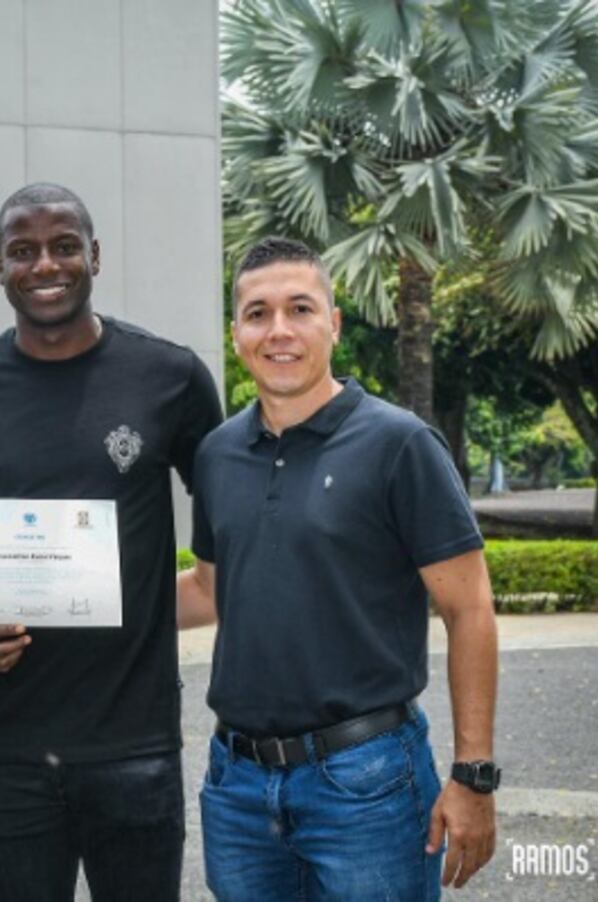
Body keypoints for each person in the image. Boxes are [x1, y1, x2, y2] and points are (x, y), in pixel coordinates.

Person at [0, 183, 223, 901]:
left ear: (95, 255)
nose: (45, 265)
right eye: (23, 251)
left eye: (63, 246)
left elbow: (228, 522)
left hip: (135, 744)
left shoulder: (170, 378)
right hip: (6, 748)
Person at [178, 237, 500, 899]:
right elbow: (211, 590)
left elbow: (469, 610)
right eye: (258, 313)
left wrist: (473, 776)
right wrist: (78, 605)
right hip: (236, 786)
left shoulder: (399, 443)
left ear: (334, 322)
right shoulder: (216, 454)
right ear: (236, 331)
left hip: (368, 781)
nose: (280, 331)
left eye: (300, 308)